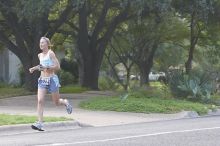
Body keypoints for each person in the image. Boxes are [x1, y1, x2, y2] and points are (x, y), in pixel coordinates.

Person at [29, 36, 72, 131]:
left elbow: (57, 66)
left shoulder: (51, 53)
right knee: (40, 100)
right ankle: (40, 123)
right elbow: (41, 65)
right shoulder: (39, 55)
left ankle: (65, 102)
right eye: (40, 42)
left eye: (43, 42)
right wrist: (34, 68)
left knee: (56, 102)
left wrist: (47, 68)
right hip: (42, 80)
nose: (41, 44)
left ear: (47, 44)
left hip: (52, 79)